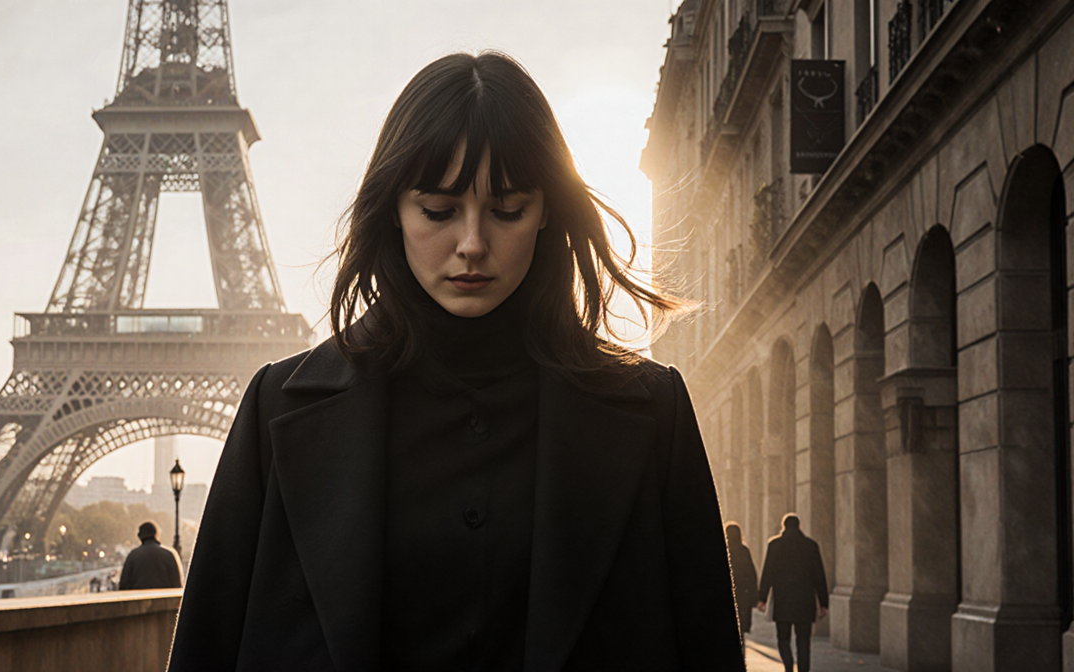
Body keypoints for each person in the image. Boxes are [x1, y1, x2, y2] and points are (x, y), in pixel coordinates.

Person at [168, 51, 744, 671]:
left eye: (507, 210)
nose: (472, 244)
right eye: (439, 212)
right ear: (393, 209)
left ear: (548, 211)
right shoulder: (275, 407)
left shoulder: (655, 412)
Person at [757, 513, 829, 672]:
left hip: (783, 599)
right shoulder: (811, 546)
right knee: (804, 640)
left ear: (783, 526)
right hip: (805, 600)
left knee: (783, 638)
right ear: (799, 526)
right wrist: (824, 603)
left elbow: (768, 573)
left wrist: (762, 598)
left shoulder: (775, 545)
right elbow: (819, 576)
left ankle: (788, 665)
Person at [118, 522, 182, 590]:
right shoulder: (169, 555)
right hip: (164, 596)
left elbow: (123, 585)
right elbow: (176, 584)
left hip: (139, 595)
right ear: (156, 534)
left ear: (139, 536)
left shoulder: (133, 556)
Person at [725, 521, 759, 636]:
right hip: (743, 595)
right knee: (740, 630)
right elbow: (751, 575)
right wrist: (754, 597)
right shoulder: (743, 551)